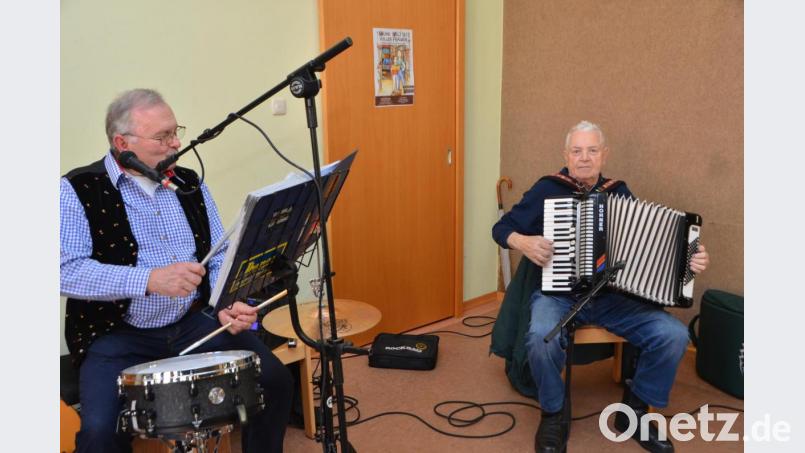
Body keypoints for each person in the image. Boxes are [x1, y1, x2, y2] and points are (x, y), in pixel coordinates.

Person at [60, 88, 294, 453]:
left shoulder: (188, 182)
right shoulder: (77, 188)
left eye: (175, 131)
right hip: (117, 335)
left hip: (192, 322)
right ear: (122, 143)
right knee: (100, 432)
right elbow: (65, 271)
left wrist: (226, 302)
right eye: (163, 136)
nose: (176, 143)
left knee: (276, 381)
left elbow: (218, 254)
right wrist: (149, 280)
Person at [492, 121, 710, 453]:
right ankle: (553, 414)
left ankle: (633, 412)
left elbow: (645, 247)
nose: (584, 158)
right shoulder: (547, 189)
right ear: (566, 155)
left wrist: (688, 260)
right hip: (559, 295)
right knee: (540, 338)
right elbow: (501, 228)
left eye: (592, 150)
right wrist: (522, 241)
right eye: (577, 151)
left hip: (612, 299)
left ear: (604, 155)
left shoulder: (618, 192)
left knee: (674, 335)